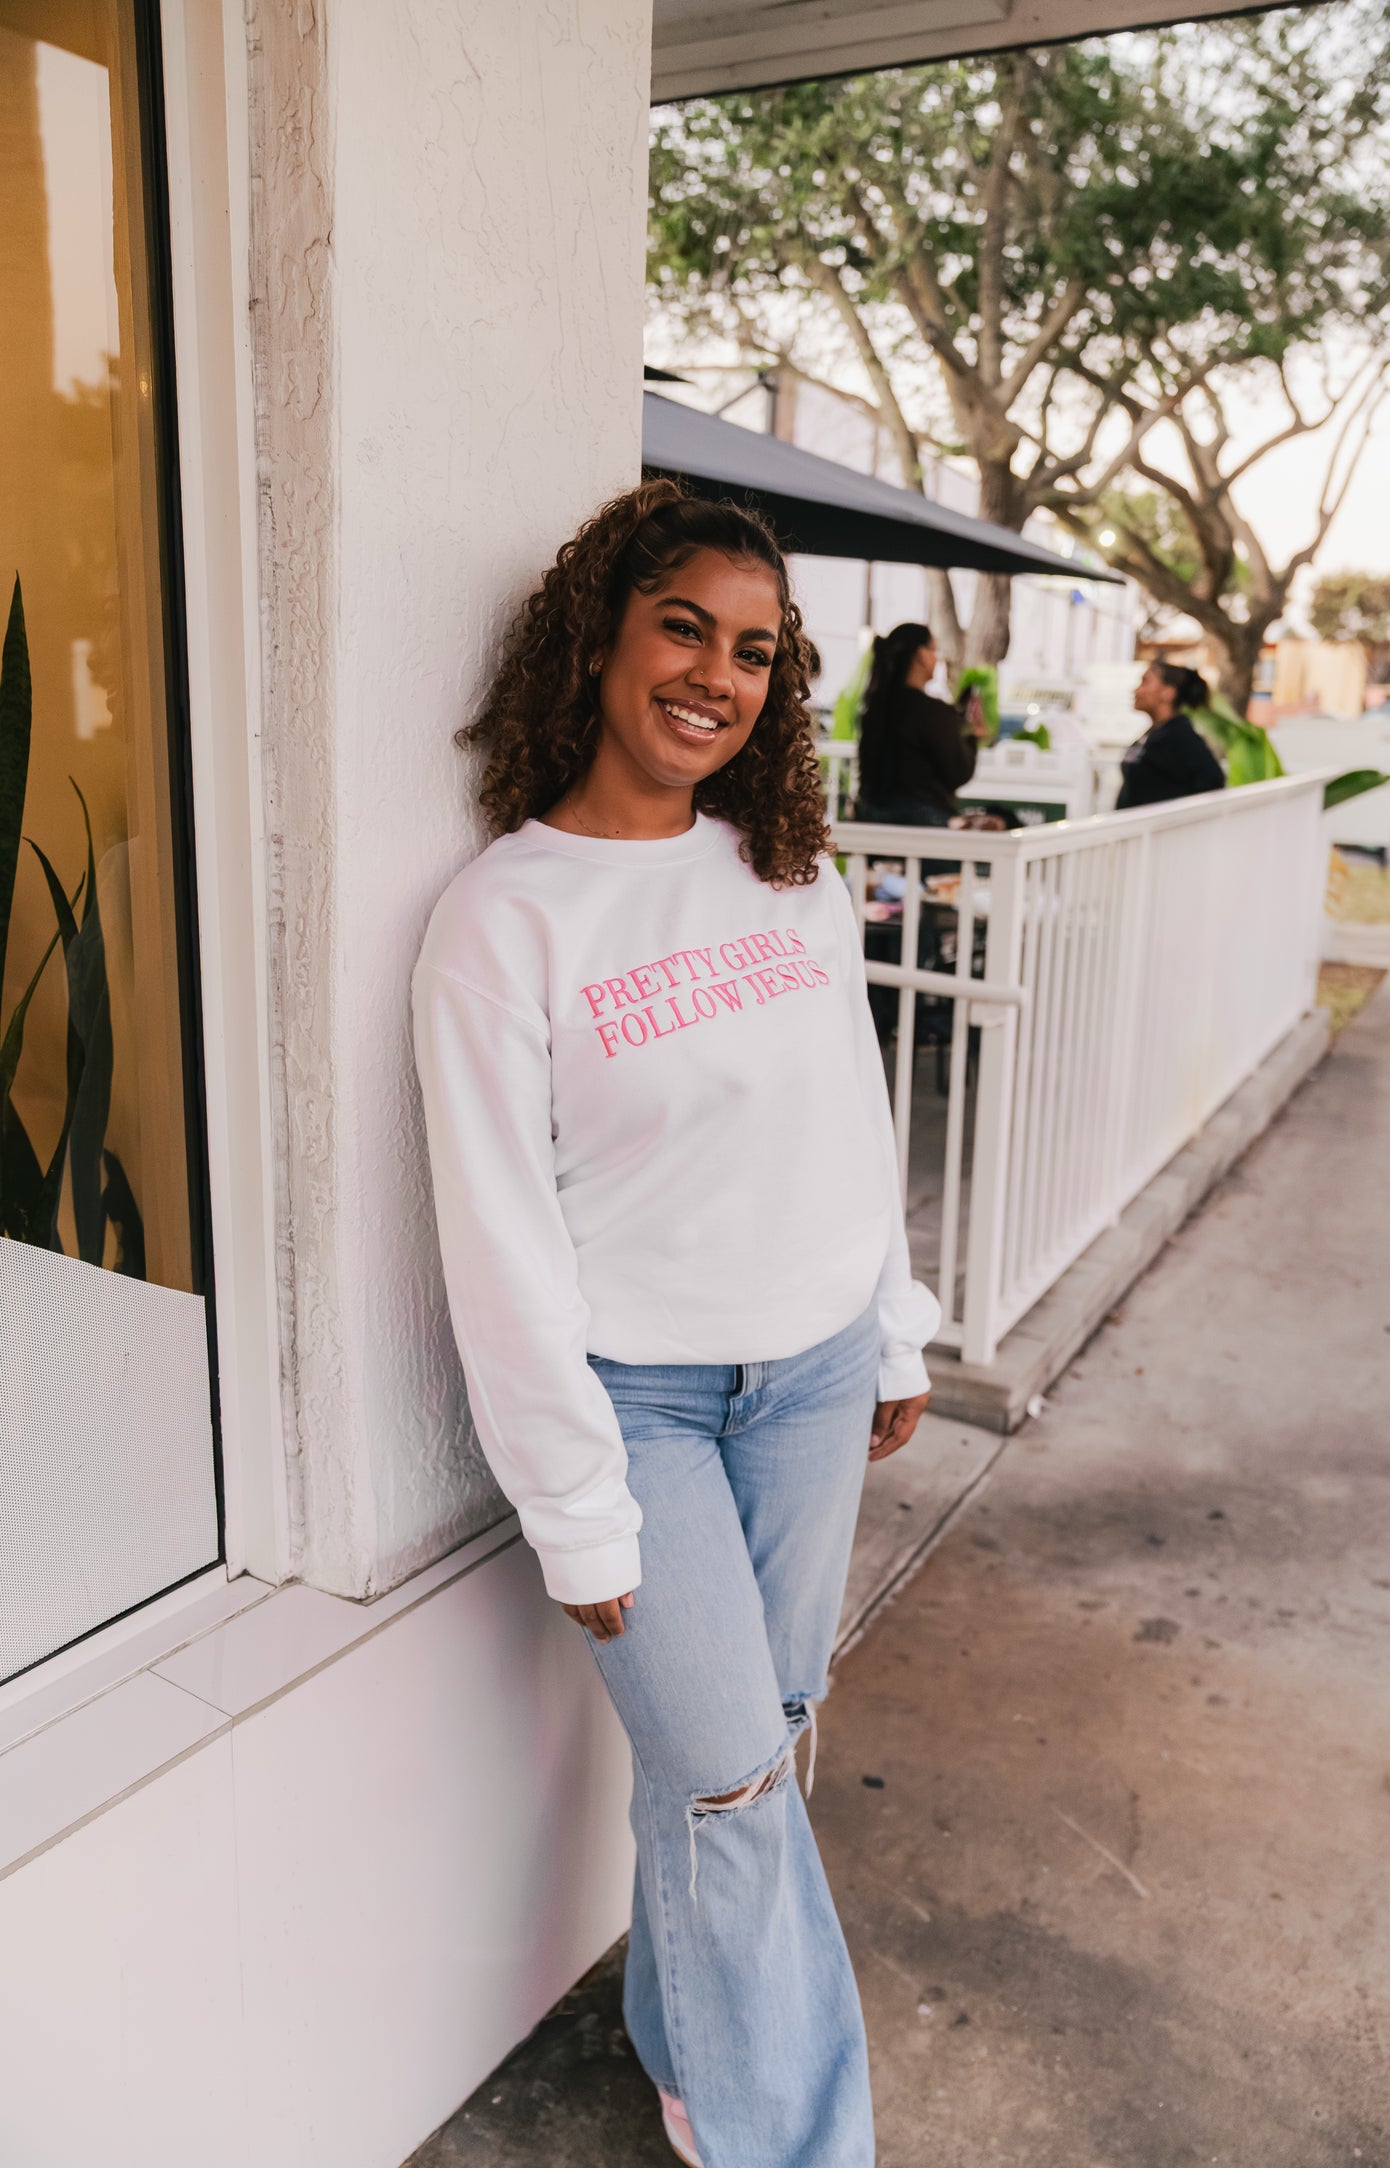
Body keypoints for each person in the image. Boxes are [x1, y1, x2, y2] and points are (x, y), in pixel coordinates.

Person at [412, 479, 940, 2168]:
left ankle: (684, 2043)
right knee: (727, 1780)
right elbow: (498, 1239)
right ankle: (800, 2142)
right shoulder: (506, 916)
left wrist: (895, 1327)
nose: (718, 674)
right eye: (685, 629)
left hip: (814, 1375)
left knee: (755, 1747)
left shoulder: (785, 869)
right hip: (640, 1403)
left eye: (757, 652)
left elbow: (851, 1111)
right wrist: (571, 1501)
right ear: (603, 637)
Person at [853, 619, 985, 824]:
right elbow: (958, 772)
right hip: (923, 822)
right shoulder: (931, 711)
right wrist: (973, 737)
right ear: (922, 654)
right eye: (934, 650)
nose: (937, 658)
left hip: (872, 818)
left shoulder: (874, 708)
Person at [1117, 661, 1226, 808]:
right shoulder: (1155, 733)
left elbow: (1212, 780)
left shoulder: (1180, 736)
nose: (1136, 690)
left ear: (1168, 692)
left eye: (1145, 682)